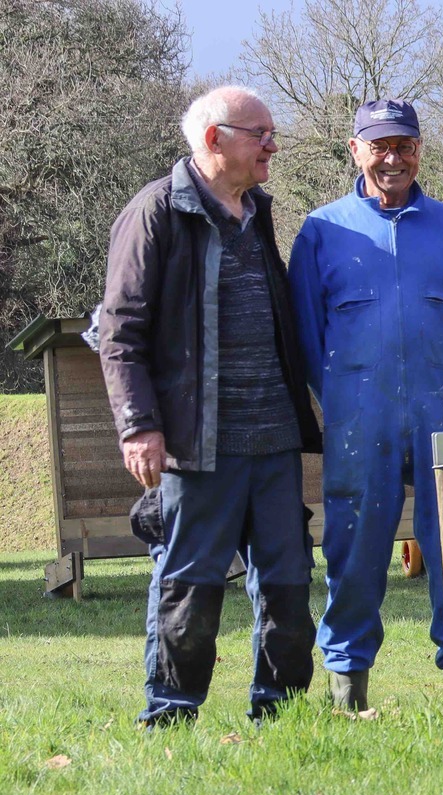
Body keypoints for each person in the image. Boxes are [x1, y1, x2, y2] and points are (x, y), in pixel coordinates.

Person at [99, 86, 321, 726]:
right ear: (215, 139)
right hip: (197, 445)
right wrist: (140, 426)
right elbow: (121, 332)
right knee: (189, 586)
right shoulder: (155, 214)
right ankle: (171, 712)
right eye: (262, 133)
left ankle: (280, 714)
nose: (272, 145)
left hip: (274, 440)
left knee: (287, 581)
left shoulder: (259, 212)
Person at [288, 99, 443, 710]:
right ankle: (349, 692)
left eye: (404, 145)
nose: (392, 157)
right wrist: (346, 400)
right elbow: (306, 335)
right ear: (355, 150)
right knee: (352, 550)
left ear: (419, 150)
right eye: (379, 145)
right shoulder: (323, 231)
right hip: (359, 417)